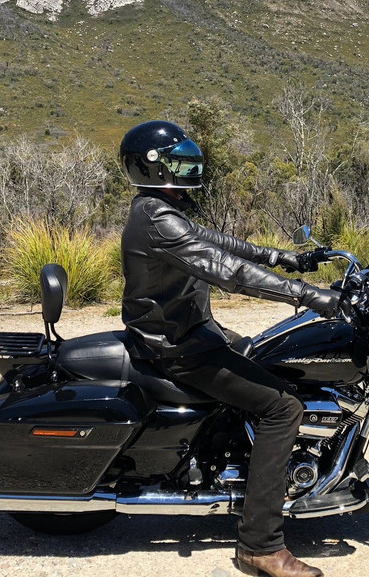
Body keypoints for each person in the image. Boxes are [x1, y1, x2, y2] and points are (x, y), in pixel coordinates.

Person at [119, 120, 339, 577]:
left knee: (266, 355)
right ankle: (261, 544)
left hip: (189, 334)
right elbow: (225, 270)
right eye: (178, 158)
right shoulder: (156, 217)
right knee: (284, 408)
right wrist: (310, 295)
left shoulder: (161, 210)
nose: (188, 165)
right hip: (179, 348)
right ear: (155, 166)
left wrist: (281, 257)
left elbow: (218, 243)